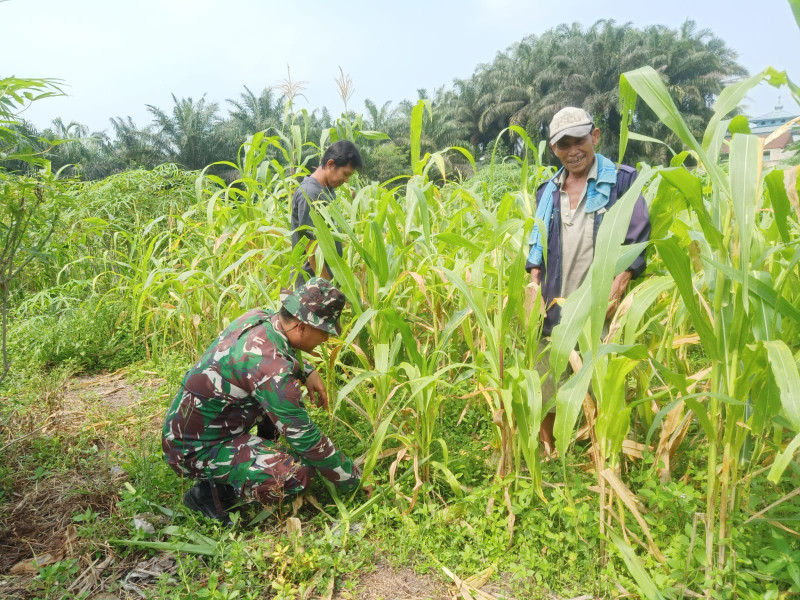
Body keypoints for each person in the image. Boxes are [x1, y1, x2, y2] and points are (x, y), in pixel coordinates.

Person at [162, 278, 361, 524]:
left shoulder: (261, 318)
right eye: (325, 332)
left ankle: (250, 456)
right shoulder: (272, 370)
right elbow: (306, 438)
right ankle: (209, 494)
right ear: (301, 327)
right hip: (192, 450)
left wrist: (306, 370)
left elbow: (274, 354)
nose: (326, 340)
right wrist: (353, 478)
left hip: (193, 431)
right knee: (297, 473)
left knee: (277, 403)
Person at [526, 106, 651, 451]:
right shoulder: (547, 192)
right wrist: (534, 286)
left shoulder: (623, 182)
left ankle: (599, 451)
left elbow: (638, 238)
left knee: (599, 380)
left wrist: (620, 281)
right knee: (546, 379)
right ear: (554, 149)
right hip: (553, 302)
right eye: (563, 144)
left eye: (578, 140)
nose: (572, 150)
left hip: (599, 305)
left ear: (594, 137)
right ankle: (548, 450)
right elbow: (536, 245)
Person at [291, 140, 363, 284]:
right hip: (311, 286)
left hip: (323, 281)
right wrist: (328, 287)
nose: (347, 180)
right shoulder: (310, 193)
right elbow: (311, 246)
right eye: (345, 174)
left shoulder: (327, 191)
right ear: (330, 164)